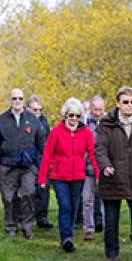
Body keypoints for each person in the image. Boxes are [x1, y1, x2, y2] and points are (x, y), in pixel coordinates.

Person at [95, 86, 132, 261]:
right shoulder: (106, 123)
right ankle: (111, 253)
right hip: (113, 177)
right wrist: (105, 166)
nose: (129, 106)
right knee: (111, 220)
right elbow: (100, 148)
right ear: (118, 103)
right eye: (126, 102)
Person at [38, 98, 99, 252]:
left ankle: (69, 236)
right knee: (64, 205)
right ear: (65, 115)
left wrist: (98, 174)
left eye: (77, 116)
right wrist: (42, 177)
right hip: (59, 176)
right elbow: (47, 155)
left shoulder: (86, 133)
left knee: (73, 207)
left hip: (78, 176)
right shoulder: (56, 132)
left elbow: (92, 155)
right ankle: (66, 237)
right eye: (71, 115)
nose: (73, 119)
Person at [0, 88, 45, 239]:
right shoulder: (2, 119)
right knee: (8, 197)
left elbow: (41, 142)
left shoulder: (32, 119)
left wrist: (45, 162)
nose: (17, 101)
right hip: (7, 163)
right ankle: (11, 227)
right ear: (9, 100)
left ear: (24, 100)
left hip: (28, 164)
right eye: (14, 98)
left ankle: (27, 227)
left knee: (28, 193)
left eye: (20, 98)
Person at [81, 96, 106, 241]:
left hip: (103, 167)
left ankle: (106, 228)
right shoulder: (83, 123)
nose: (97, 113)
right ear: (90, 108)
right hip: (87, 167)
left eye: (100, 110)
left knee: (105, 200)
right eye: (95, 109)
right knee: (87, 200)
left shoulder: (108, 122)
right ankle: (88, 229)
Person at [26, 95, 53, 229]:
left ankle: (42, 217)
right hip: (27, 159)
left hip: (42, 159)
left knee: (44, 188)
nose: (38, 112)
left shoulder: (44, 122)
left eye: (39, 110)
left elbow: (48, 141)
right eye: (35, 110)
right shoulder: (23, 121)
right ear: (28, 109)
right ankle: (25, 216)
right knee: (27, 189)